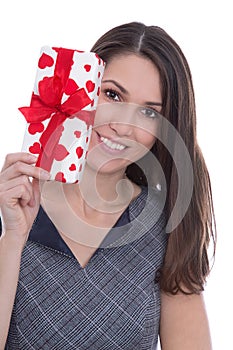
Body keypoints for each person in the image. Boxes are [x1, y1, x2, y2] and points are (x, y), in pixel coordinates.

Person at [0, 21, 216, 349]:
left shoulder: (166, 229)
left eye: (148, 112)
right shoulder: (12, 202)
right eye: (112, 94)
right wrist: (12, 239)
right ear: (84, 87)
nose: (122, 126)